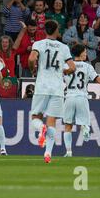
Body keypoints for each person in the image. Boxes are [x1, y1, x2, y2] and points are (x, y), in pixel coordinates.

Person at [28, 20, 76, 164]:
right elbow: (73, 67)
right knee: (52, 121)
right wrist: (64, 71)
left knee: (36, 117)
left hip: (42, 86)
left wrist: (33, 70)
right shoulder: (64, 47)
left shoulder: (38, 44)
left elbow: (31, 58)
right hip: (57, 89)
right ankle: (47, 153)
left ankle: (41, 128)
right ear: (56, 30)